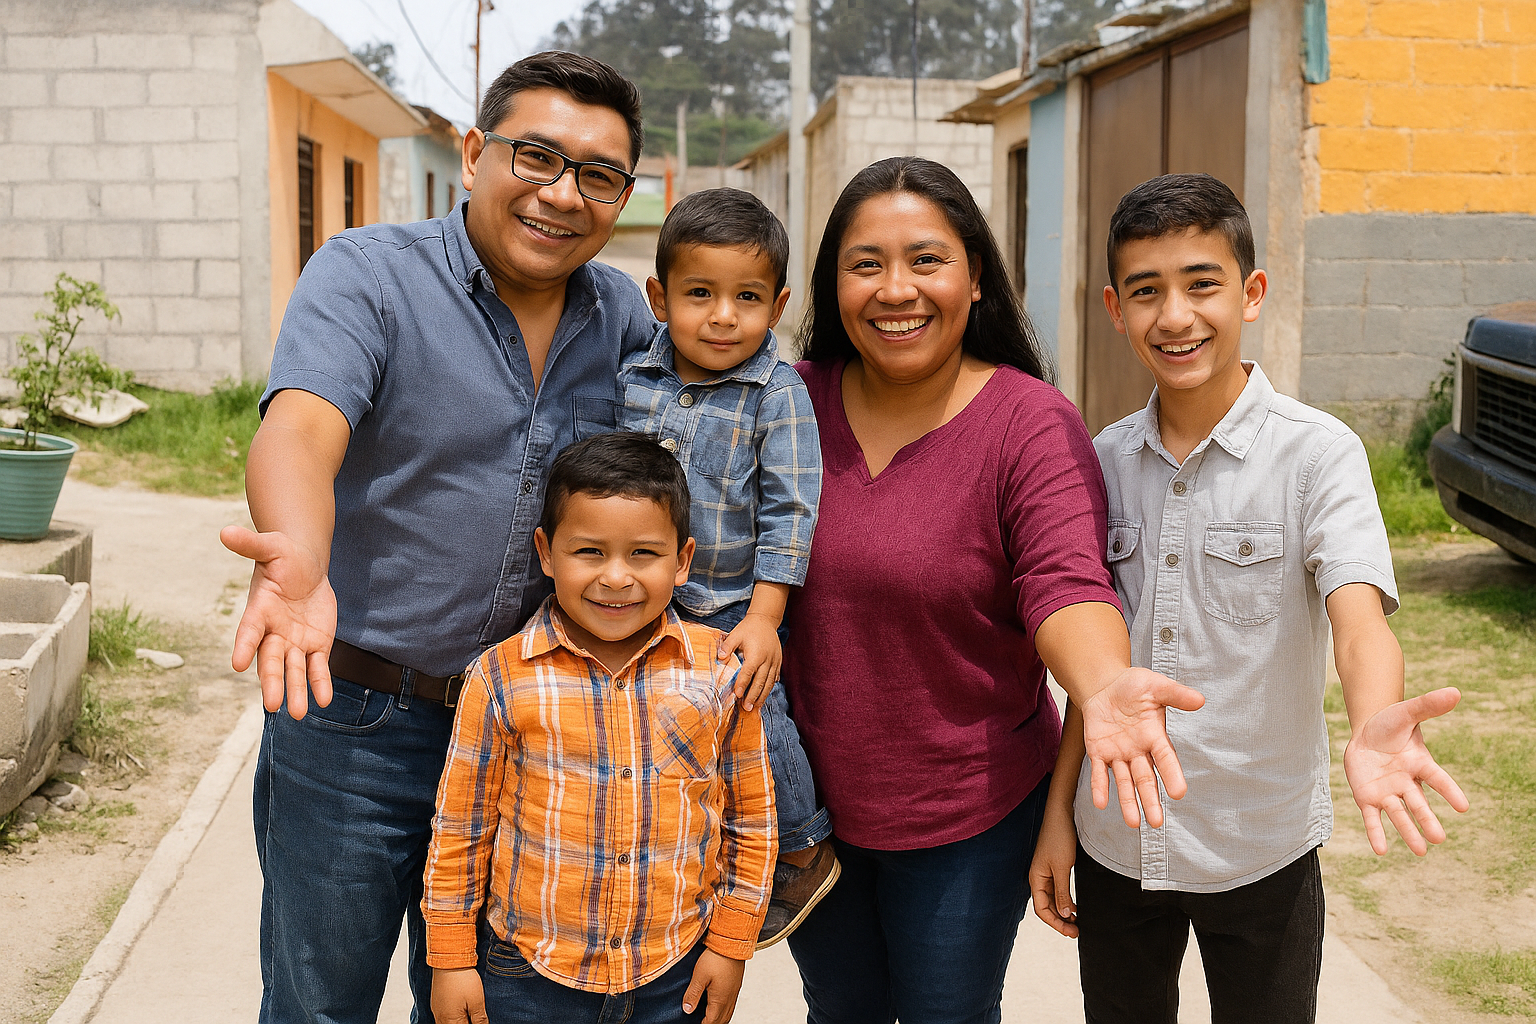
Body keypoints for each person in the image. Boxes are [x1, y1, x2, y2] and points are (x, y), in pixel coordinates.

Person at [218, 52, 658, 1023]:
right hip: (355, 722)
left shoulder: (622, 314)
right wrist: (295, 554)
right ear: (473, 153)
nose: (560, 194)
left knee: (480, 1008)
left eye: (597, 175)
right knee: (317, 1003)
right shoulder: (369, 276)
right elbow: (300, 425)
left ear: (624, 194)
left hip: (524, 732)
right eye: (536, 156)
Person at [1027, 172, 1470, 1024]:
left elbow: (1358, 617)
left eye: (1203, 284)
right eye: (1148, 292)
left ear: (1251, 293)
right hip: (1119, 845)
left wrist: (1375, 715)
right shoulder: (1101, 462)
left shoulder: (1319, 455)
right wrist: (1060, 815)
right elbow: (1101, 677)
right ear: (1116, 310)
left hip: (1260, 849)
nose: (1177, 316)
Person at [779, 155, 1206, 1024]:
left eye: (927, 259)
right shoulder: (786, 403)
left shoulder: (1028, 422)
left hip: (966, 823)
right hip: (806, 815)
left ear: (976, 278)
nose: (896, 288)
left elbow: (1066, 581)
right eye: (866, 264)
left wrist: (1102, 685)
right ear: (833, 285)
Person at [423, 432, 776, 1024]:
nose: (616, 578)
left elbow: (751, 818)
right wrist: (452, 959)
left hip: (674, 974)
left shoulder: (719, 672)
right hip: (526, 977)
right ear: (545, 551)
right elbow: (461, 828)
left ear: (683, 560)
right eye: (589, 552)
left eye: (643, 553)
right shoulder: (501, 678)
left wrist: (730, 944)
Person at [616, 187, 836, 946]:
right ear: (659, 297)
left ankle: (805, 846)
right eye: (699, 294)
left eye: (746, 298)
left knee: (752, 714)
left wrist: (766, 617)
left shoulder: (776, 396)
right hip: (636, 602)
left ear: (775, 307)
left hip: (728, 605)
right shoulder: (633, 382)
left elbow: (791, 511)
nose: (722, 316)